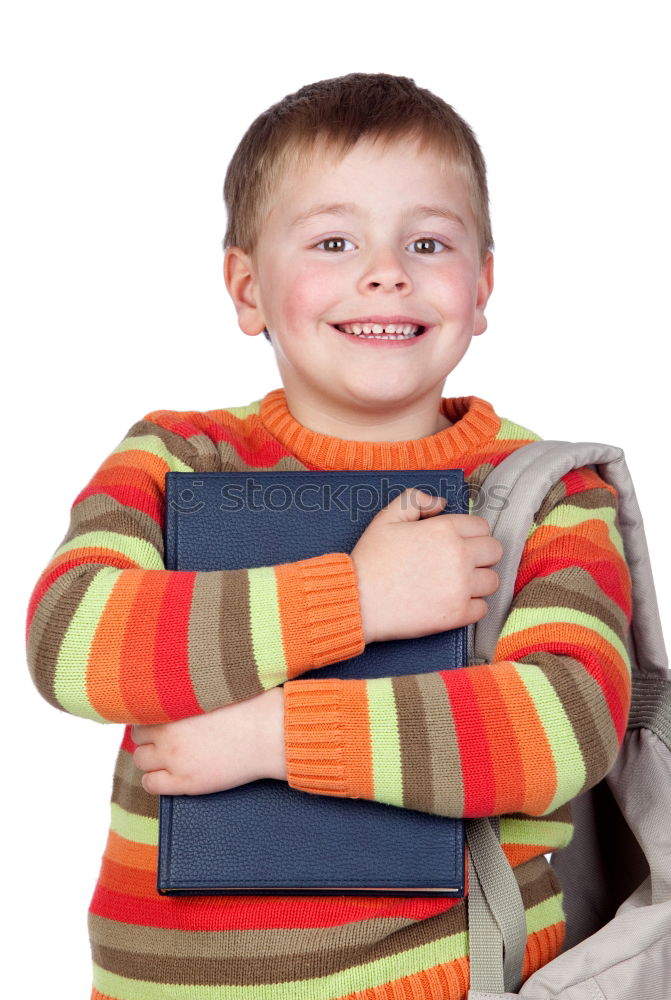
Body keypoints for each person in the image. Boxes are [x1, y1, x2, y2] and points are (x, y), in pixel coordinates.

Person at [25, 72, 632, 999]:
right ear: (247, 288)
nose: (386, 270)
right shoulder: (179, 455)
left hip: (442, 978)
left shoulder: (545, 491)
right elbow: (70, 642)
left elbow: (567, 727)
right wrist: (357, 598)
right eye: (334, 240)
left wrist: (273, 736)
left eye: (428, 242)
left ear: (482, 288)